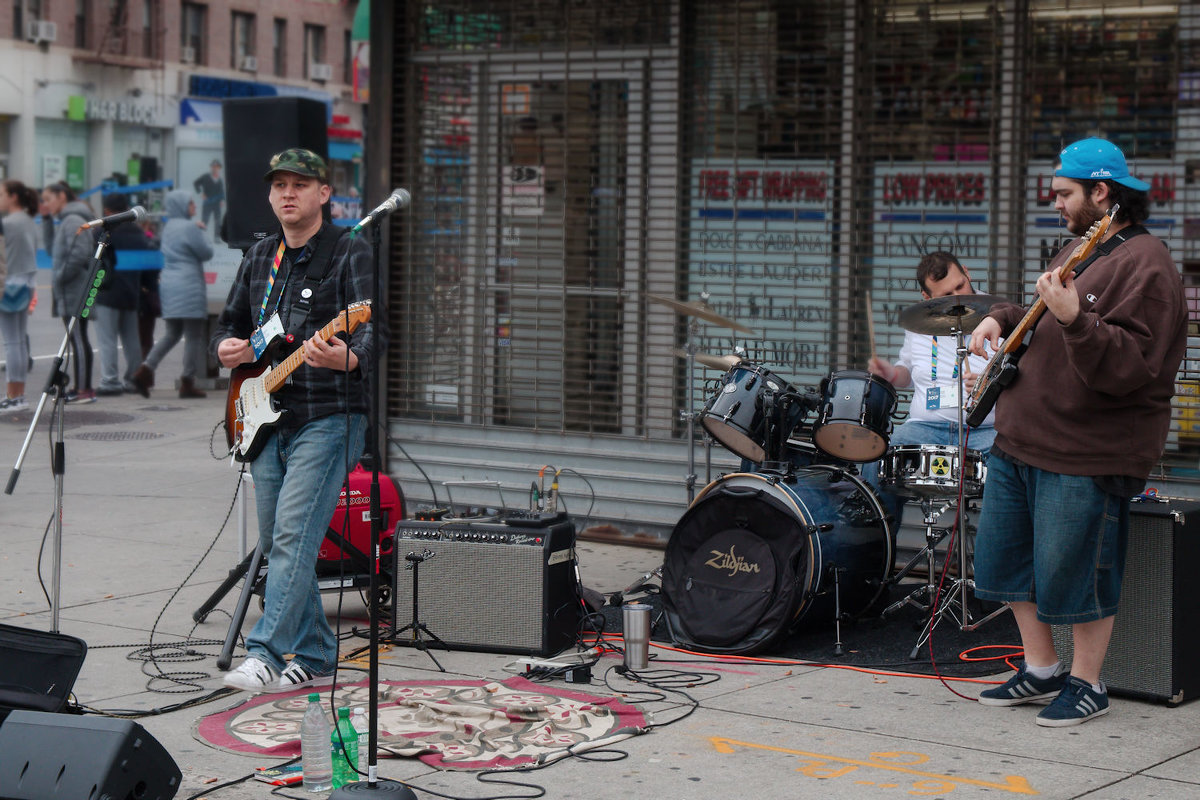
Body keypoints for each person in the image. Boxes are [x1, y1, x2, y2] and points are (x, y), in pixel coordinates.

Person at [968, 138, 1187, 726]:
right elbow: (1046, 311)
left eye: (1065, 192)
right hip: (1022, 440)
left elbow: (1130, 369)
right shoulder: (1087, 246)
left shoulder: (1148, 267)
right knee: (1008, 564)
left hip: (1085, 453)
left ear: (1101, 192)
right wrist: (1002, 316)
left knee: (1080, 572)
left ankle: (1088, 682)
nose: (1054, 201)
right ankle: (1041, 668)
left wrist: (1072, 317)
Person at [212, 148, 381, 693]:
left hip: (329, 416)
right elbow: (230, 323)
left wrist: (348, 356)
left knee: (290, 537)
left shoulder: (350, 248)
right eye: (279, 185)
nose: (289, 194)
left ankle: (263, 652)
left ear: (324, 194)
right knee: (287, 540)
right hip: (262, 416)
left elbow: (373, 327)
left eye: (301, 185)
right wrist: (227, 349)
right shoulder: (260, 255)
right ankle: (314, 652)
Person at [864, 251, 997, 522]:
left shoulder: (1000, 315)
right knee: (877, 462)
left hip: (985, 431)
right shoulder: (918, 324)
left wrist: (989, 386)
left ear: (968, 273)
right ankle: (878, 551)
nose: (958, 297)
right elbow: (909, 375)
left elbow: (1023, 379)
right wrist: (891, 373)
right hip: (925, 427)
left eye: (960, 285)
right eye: (946, 294)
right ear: (927, 298)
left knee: (1015, 469)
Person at [132, 190, 213, 398]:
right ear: (182, 206)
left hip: (169, 284)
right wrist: (201, 232)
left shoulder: (168, 228)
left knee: (171, 334)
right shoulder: (190, 227)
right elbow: (206, 253)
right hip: (189, 285)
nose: (194, 206)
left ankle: (145, 370)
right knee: (194, 336)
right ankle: (188, 382)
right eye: (191, 203)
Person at [92, 193, 157, 397]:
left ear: (108, 211)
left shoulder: (105, 232)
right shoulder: (138, 233)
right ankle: (132, 378)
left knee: (107, 339)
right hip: (132, 293)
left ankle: (110, 381)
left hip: (107, 292)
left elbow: (94, 261)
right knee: (131, 340)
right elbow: (147, 266)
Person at [42, 182, 96, 404]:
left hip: (74, 289)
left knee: (78, 337)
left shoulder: (73, 219)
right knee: (76, 338)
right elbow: (51, 249)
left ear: (62, 196)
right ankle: (81, 387)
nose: (45, 204)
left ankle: (84, 390)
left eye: (48, 198)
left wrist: (60, 277)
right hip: (69, 288)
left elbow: (80, 254)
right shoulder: (65, 220)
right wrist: (46, 221)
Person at [0, 180, 41, 413]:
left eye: (2, 194)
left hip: (7, 285)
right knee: (18, 342)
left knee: (11, 342)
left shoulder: (8, 224)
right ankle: (19, 394)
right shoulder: (28, 222)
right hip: (25, 284)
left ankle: (12, 396)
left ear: (13, 196)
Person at [193, 160, 225, 241]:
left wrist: (222, 200)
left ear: (219, 168)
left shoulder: (220, 180)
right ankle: (201, 236)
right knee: (205, 219)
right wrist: (201, 193)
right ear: (211, 168)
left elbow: (221, 191)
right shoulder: (205, 177)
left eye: (217, 167)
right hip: (207, 202)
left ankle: (217, 237)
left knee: (217, 220)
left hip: (217, 203)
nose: (215, 169)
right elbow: (196, 183)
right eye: (213, 167)